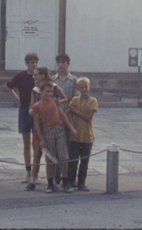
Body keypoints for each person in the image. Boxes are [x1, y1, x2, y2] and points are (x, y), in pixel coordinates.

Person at [24, 66, 67, 190]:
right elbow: (31, 107)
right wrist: (32, 110)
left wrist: (60, 102)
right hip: (40, 124)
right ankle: (33, 180)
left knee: (54, 154)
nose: (34, 77)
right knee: (38, 152)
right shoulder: (35, 90)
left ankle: (54, 180)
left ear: (43, 75)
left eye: (36, 75)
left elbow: (64, 98)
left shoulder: (53, 87)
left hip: (52, 124)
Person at [31, 80, 77, 193]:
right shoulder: (36, 106)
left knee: (64, 157)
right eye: (47, 92)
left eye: (51, 92)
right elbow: (37, 124)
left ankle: (65, 181)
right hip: (47, 131)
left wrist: (71, 129)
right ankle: (50, 183)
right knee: (50, 159)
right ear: (41, 92)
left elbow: (62, 114)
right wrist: (41, 139)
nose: (49, 94)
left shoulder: (55, 101)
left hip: (59, 129)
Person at [5, 52, 39, 183]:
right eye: (32, 62)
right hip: (24, 110)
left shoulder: (39, 76)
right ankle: (28, 172)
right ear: (26, 63)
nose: (34, 64)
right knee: (27, 142)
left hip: (36, 111)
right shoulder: (21, 76)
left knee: (37, 142)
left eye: (36, 62)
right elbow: (8, 86)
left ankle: (35, 172)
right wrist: (17, 99)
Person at [66, 76, 97, 191]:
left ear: (89, 87)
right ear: (78, 88)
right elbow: (68, 113)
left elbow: (89, 117)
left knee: (84, 161)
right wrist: (71, 126)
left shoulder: (93, 101)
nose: (84, 89)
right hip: (75, 135)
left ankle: (82, 182)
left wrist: (76, 112)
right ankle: (70, 181)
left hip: (87, 136)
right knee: (73, 160)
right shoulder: (74, 100)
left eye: (86, 87)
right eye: (82, 87)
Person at [52, 53, 77, 184]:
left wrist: (66, 115)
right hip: (55, 118)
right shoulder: (52, 80)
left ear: (68, 63)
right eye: (59, 62)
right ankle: (56, 175)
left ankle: (66, 175)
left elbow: (74, 101)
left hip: (67, 117)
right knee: (56, 147)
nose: (61, 65)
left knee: (65, 148)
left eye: (63, 62)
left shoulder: (73, 80)